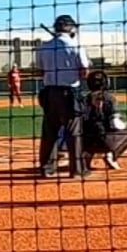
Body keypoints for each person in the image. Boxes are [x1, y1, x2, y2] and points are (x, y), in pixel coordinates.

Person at [34, 14, 90, 177]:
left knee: (49, 132)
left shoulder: (43, 47)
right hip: (70, 93)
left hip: (50, 93)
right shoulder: (76, 45)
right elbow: (84, 72)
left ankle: (47, 168)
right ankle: (77, 170)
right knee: (74, 132)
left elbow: (39, 72)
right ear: (70, 27)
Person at [78, 70, 127, 174]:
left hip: (85, 142)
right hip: (104, 142)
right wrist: (126, 125)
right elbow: (115, 123)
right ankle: (111, 155)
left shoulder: (84, 99)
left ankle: (87, 155)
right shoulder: (109, 98)